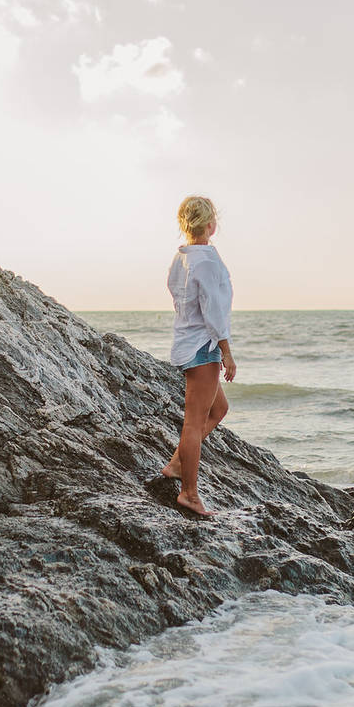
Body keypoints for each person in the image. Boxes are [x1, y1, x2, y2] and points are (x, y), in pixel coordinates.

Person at [158, 195, 235, 517]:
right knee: (194, 423)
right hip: (203, 347)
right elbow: (213, 311)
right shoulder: (205, 261)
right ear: (209, 224)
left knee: (219, 408)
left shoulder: (183, 258)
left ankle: (178, 463)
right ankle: (189, 493)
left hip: (188, 342)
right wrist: (226, 352)